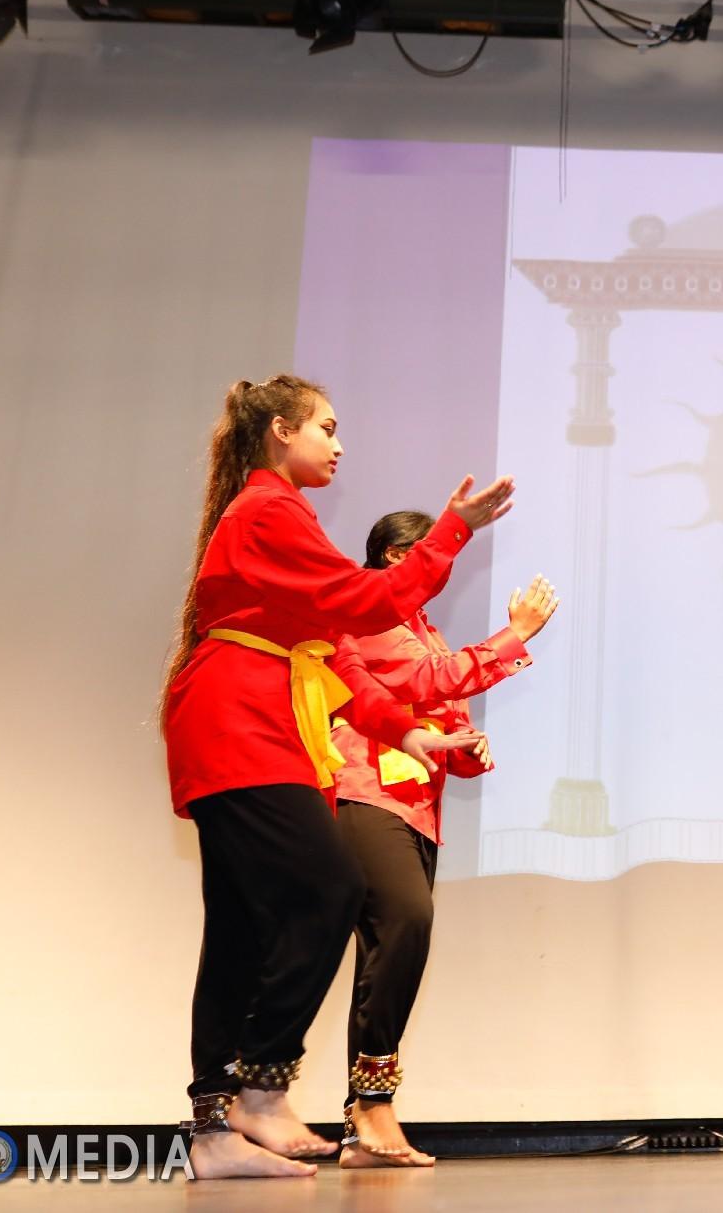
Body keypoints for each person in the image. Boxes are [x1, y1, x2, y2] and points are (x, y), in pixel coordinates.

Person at [161, 375, 513, 1179]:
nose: (339, 444)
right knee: (331, 888)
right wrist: (453, 530)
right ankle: (260, 1083)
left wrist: (405, 729)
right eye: (326, 427)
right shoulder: (267, 509)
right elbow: (367, 600)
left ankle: (213, 1129)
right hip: (238, 722)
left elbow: (337, 660)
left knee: (240, 929)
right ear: (280, 430)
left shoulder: (276, 512)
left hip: (252, 720)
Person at [328, 509, 560, 1167]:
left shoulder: (424, 629)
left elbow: (442, 715)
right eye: (435, 556)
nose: (445, 571)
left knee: (387, 952)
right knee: (407, 919)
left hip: (417, 813)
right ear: (398, 557)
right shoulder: (370, 615)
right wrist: (515, 635)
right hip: (365, 796)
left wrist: (466, 749)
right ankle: (368, 1106)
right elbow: (428, 680)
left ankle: (364, 1120)